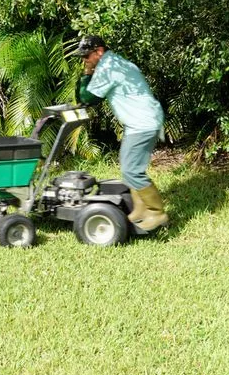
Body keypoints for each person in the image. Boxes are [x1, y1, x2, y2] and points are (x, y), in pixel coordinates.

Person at [71, 35, 169, 231]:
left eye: (87, 56)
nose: (84, 60)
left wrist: (87, 73)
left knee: (131, 170)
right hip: (141, 121)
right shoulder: (116, 62)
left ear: (99, 51)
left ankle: (156, 212)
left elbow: (86, 98)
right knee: (129, 166)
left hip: (142, 123)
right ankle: (140, 209)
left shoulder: (108, 68)